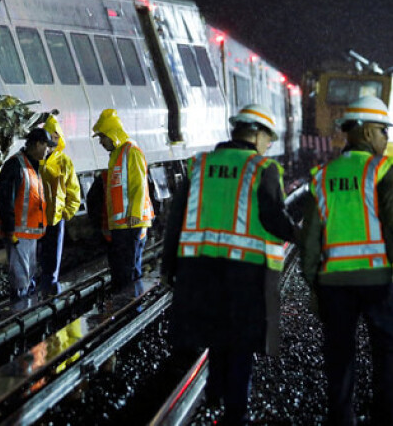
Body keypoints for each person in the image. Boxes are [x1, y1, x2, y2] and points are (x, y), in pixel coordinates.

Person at [162, 104, 297, 425]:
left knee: (215, 335)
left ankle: (214, 394)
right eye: (267, 137)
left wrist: (168, 268)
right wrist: (302, 235)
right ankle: (235, 410)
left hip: (199, 271)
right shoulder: (261, 168)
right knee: (241, 341)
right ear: (254, 133)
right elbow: (273, 217)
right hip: (245, 273)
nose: (268, 144)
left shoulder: (200, 165)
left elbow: (175, 221)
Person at [300, 96, 393, 426]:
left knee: (340, 354)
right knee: (387, 351)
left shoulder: (322, 176)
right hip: (379, 281)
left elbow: (310, 238)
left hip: (334, 284)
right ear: (368, 133)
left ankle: (342, 418)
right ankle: (384, 414)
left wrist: (313, 282)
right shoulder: (383, 170)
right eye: (384, 131)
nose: (386, 138)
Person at [92, 108, 154, 291]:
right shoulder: (117, 155)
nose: (101, 142)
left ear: (113, 134)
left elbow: (139, 184)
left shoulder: (131, 152)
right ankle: (128, 307)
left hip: (131, 223)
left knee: (128, 272)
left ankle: (133, 308)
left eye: (103, 137)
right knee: (122, 271)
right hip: (121, 225)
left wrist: (135, 213)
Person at [0, 127, 56, 300]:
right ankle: (19, 311)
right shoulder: (16, 165)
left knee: (27, 275)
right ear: (38, 144)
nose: (48, 150)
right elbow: (5, 200)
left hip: (30, 234)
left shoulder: (32, 166)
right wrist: (10, 230)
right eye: (47, 146)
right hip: (17, 234)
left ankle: (26, 309)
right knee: (20, 278)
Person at [39, 114, 81, 295]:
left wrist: (67, 212)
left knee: (51, 259)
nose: (53, 140)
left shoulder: (64, 162)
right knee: (37, 257)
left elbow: (73, 190)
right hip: (36, 218)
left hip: (56, 218)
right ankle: (39, 289)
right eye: (50, 136)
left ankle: (50, 290)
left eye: (56, 137)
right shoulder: (36, 160)